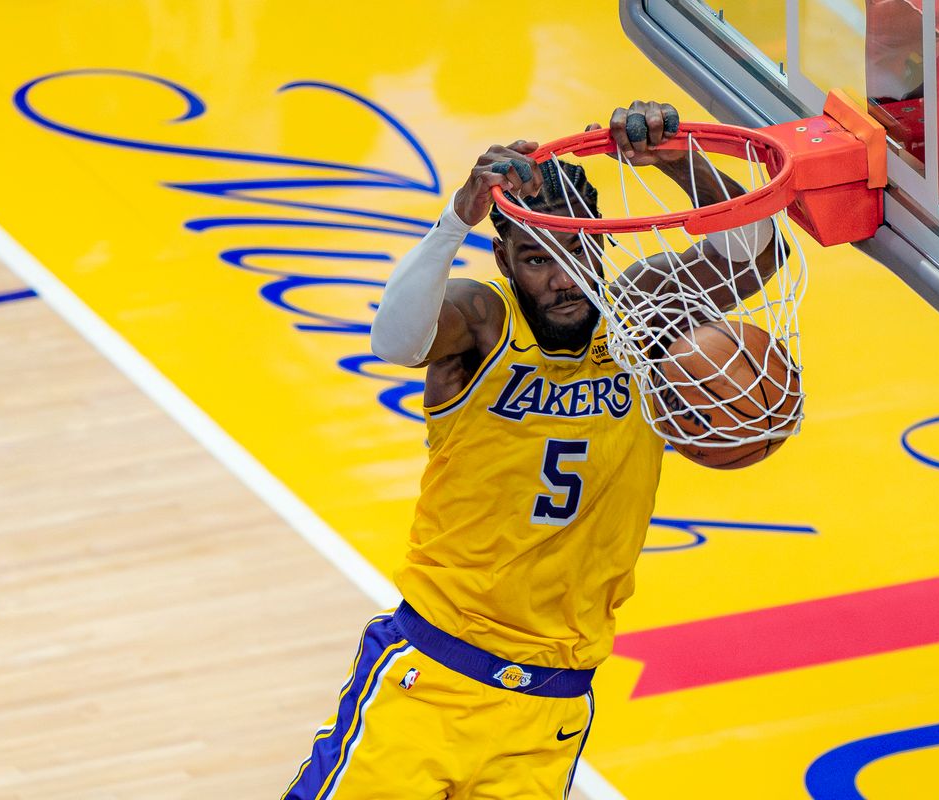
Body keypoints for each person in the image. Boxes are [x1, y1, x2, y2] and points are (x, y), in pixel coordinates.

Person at [282, 101, 779, 800]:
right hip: (434, 678)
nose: (563, 277)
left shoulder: (641, 316)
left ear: (601, 244)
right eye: (539, 257)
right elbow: (394, 342)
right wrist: (456, 217)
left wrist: (677, 159)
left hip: (552, 701)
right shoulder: (483, 322)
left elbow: (756, 250)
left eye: (578, 250)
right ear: (505, 256)